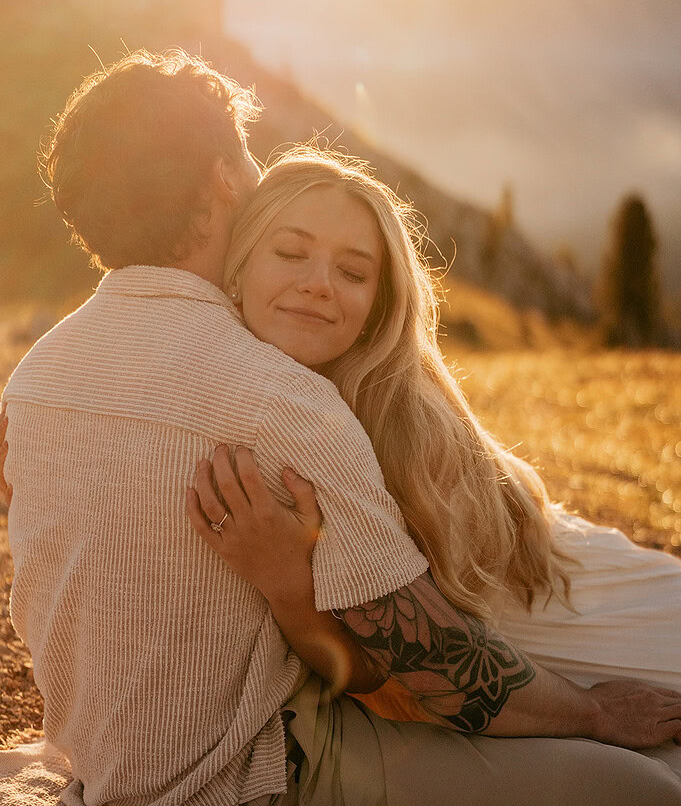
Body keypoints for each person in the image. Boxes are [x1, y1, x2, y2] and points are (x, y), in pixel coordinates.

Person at [0, 49, 680, 806]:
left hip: (105, 764)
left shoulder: (32, 383)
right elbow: (433, 669)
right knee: (640, 786)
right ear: (225, 174)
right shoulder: (274, 394)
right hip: (258, 773)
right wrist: (593, 710)